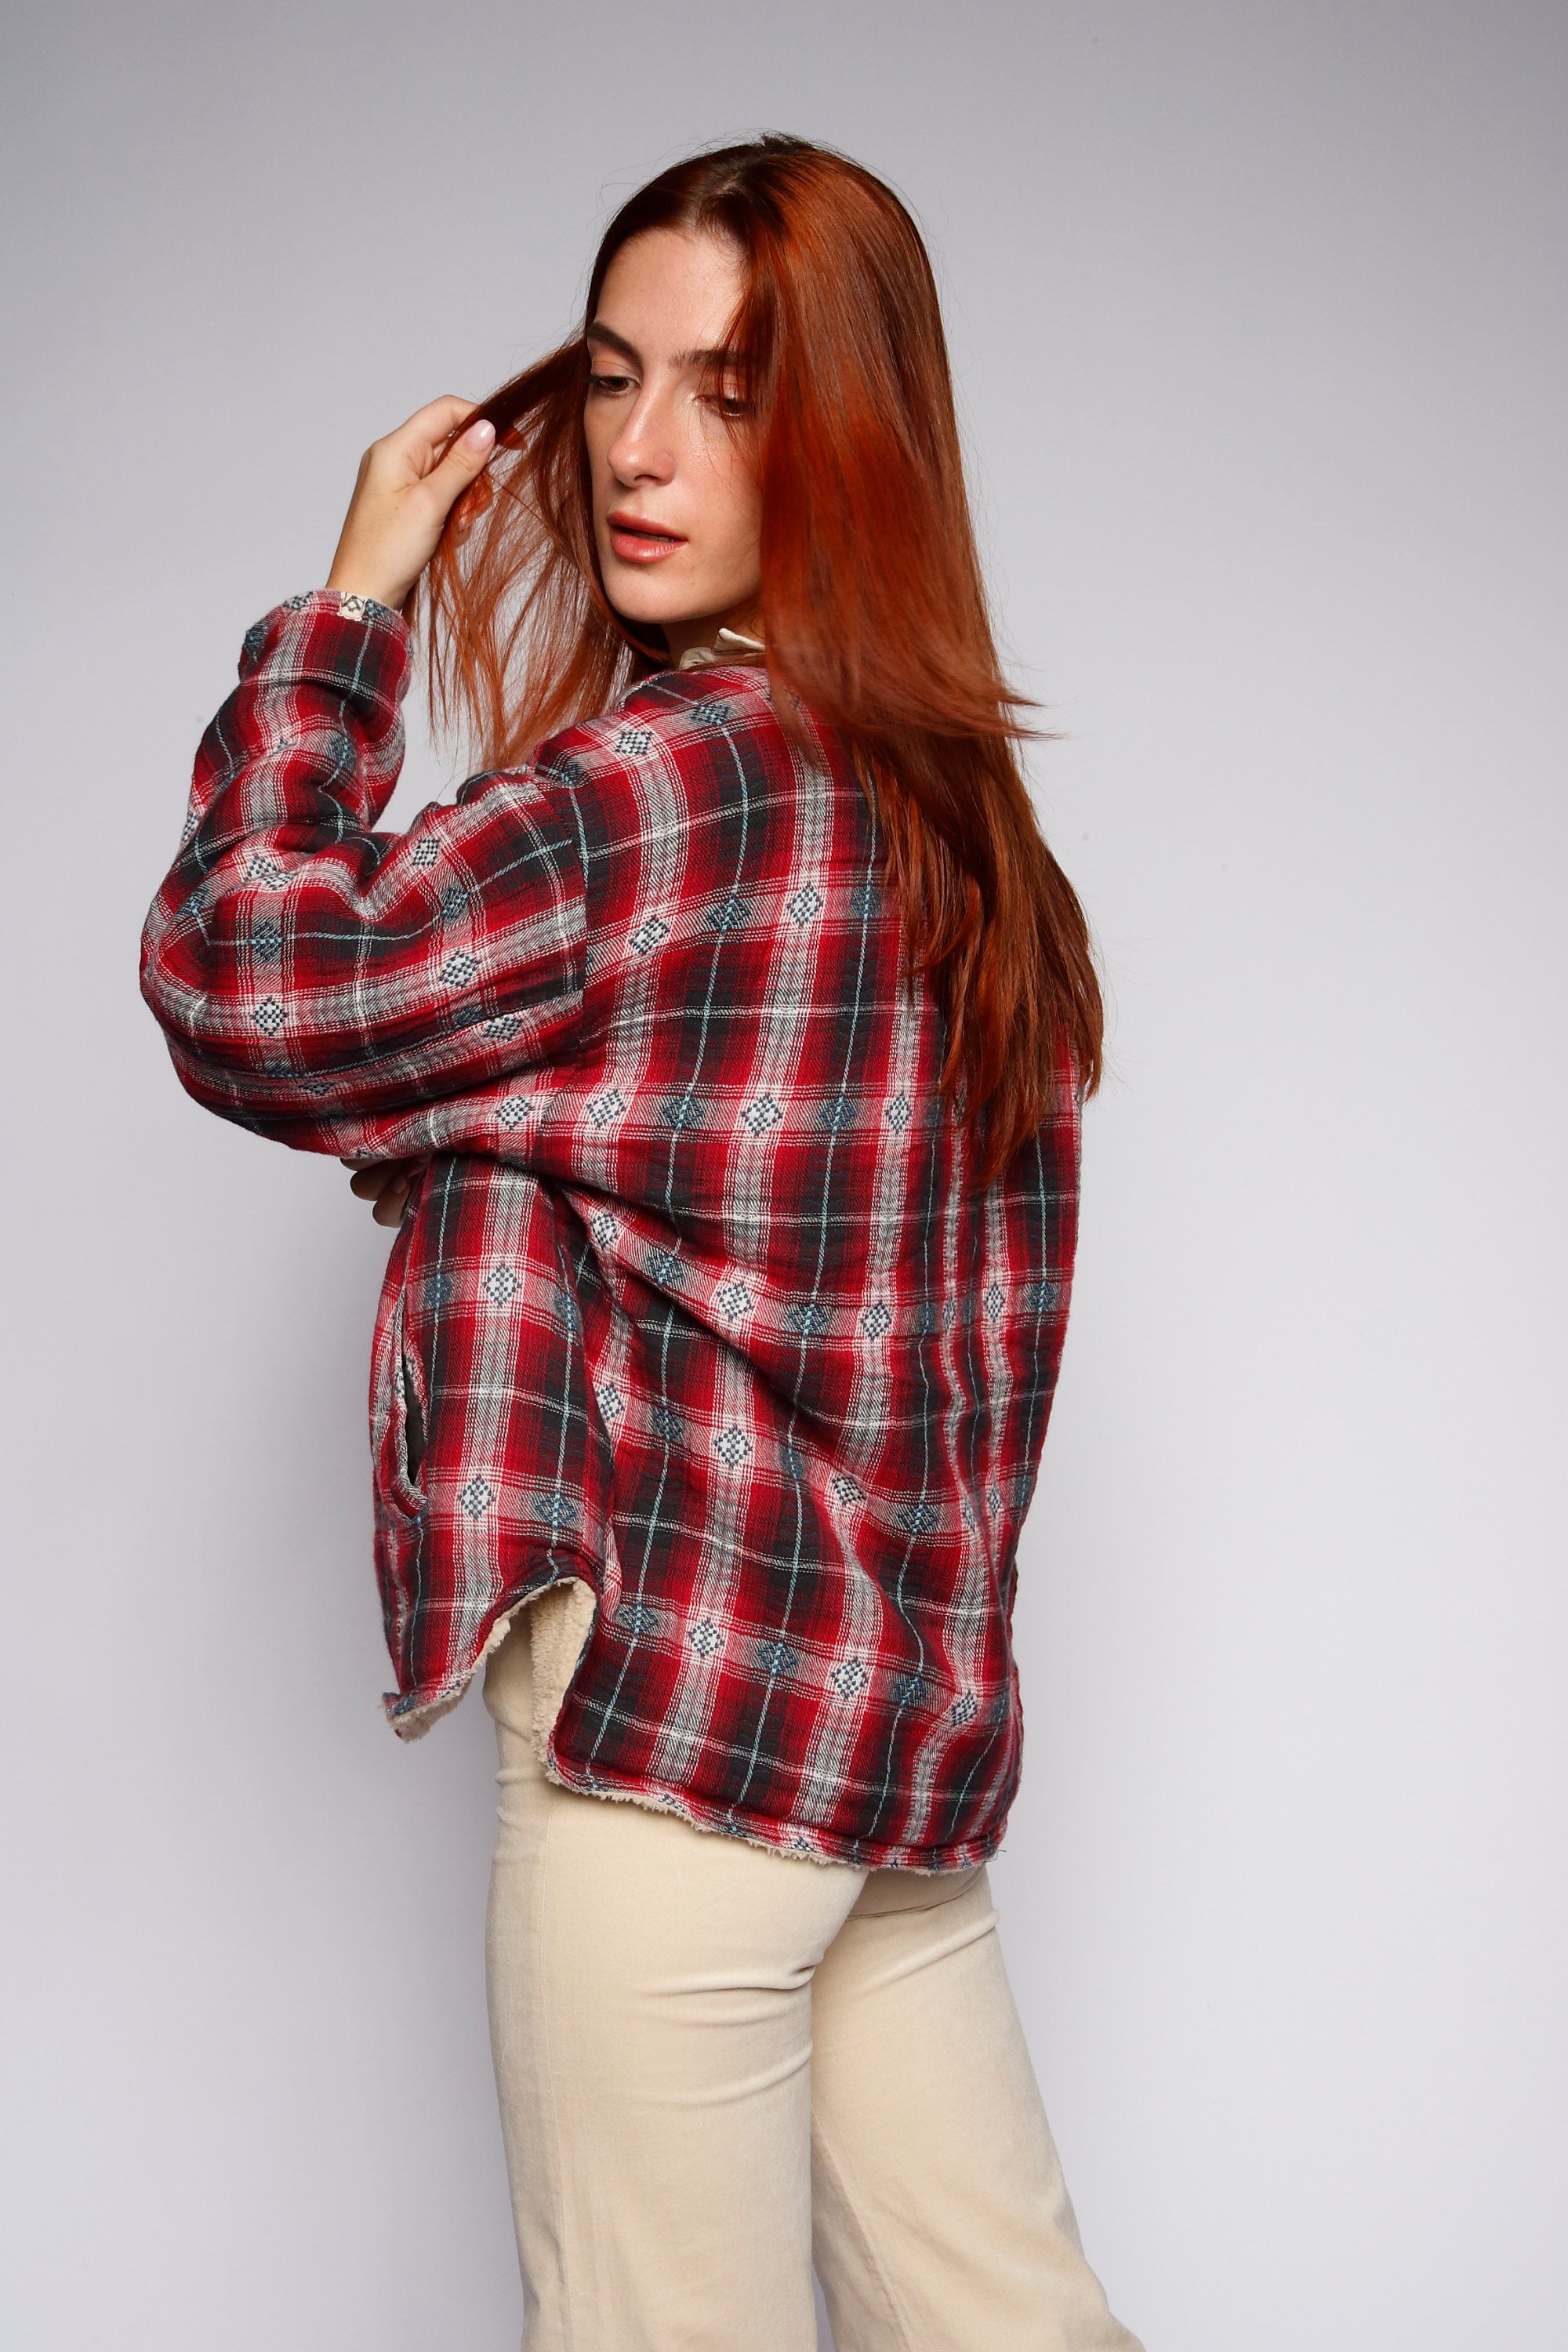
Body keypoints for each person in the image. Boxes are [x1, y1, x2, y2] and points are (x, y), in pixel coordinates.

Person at [140, 132, 1145, 2352]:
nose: (640, 449)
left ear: (852, 440)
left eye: (729, 392)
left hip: (676, 1750)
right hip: (883, 1748)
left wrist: (352, 612)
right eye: (611, 378)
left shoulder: (661, 790)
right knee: (1016, 2324)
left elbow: (246, 978)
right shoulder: (965, 824)